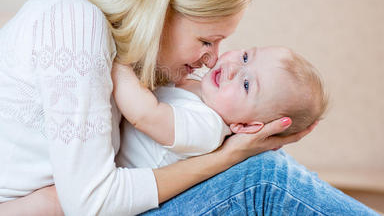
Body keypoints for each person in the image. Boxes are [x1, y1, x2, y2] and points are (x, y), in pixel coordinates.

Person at [0, 0, 378, 216]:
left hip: (57, 198)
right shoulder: (80, 26)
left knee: (261, 170)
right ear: (162, 8)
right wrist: (227, 158)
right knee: (263, 178)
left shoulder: (91, 22)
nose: (214, 57)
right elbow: (91, 203)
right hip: (30, 203)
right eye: (206, 40)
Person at [114, 46, 329, 169]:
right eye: (245, 57)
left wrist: (118, 60)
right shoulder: (201, 83)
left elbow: (144, 115)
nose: (233, 68)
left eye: (246, 85)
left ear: (246, 126)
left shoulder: (208, 128)